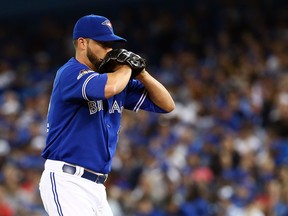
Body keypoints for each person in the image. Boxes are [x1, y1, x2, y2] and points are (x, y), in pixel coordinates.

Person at [38, 14, 175, 216]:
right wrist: (127, 67)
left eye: (111, 44)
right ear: (82, 43)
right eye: (103, 43)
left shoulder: (115, 78)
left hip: (97, 188)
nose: (109, 50)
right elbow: (110, 87)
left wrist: (143, 73)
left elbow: (167, 104)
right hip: (67, 181)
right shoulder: (70, 72)